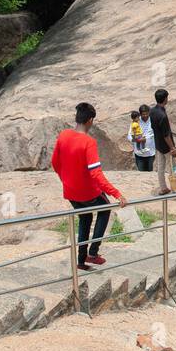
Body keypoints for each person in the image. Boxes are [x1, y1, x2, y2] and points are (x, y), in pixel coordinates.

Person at [51, 102, 127, 270]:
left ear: (77, 118)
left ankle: (80, 260)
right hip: (88, 192)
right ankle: (92, 253)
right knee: (105, 208)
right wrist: (116, 193)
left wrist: (66, 179)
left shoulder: (63, 135)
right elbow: (96, 174)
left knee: (85, 218)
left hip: (70, 192)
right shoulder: (88, 142)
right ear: (90, 120)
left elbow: (55, 163)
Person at [148, 89, 176, 196]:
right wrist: (172, 148)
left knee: (160, 167)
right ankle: (175, 188)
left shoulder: (152, 111)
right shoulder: (162, 116)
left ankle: (163, 188)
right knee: (172, 168)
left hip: (158, 144)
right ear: (165, 99)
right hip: (166, 146)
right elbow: (166, 135)